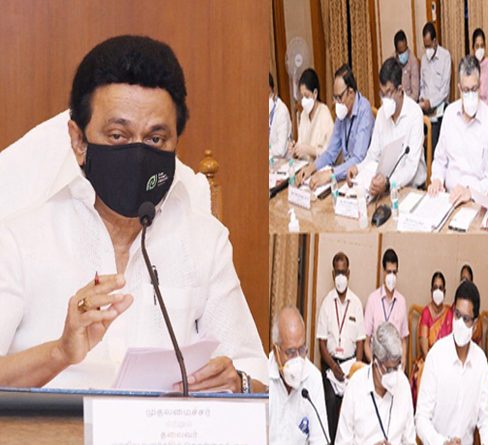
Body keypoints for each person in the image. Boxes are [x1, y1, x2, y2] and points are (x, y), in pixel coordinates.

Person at [0, 35, 267, 390]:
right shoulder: (20, 240)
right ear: (79, 141)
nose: (138, 156)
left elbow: (254, 374)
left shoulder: (205, 241)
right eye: (117, 136)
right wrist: (59, 353)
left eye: (155, 139)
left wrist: (239, 383)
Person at [415, 280, 488, 445]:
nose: (459, 323)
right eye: (457, 315)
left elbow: (486, 418)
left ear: (475, 324)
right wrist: (441, 442)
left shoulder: (480, 361)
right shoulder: (436, 355)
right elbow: (421, 418)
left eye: (466, 319)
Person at [428, 55, 488, 207]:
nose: (470, 95)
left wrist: (470, 192)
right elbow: (440, 160)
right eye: (466, 90)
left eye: (474, 89)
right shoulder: (449, 114)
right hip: (448, 197)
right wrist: (437, 179)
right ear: (459, 89)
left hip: (476, 200)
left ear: (480, 86)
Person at [347, 57, 426, 197]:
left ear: (400, 90)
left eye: (388, 93)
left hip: (410, 188)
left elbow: (411, 167)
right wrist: (358, 169)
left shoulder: (415, 114)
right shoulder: (381, 114)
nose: (385, 99)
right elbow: (373, 154)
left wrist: (389, 183)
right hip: (382, 188)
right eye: (382, 94)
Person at [336, 322, 417, 445]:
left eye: (397, 367)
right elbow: (342, 442)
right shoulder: (356, 385)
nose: (394, 374)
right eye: (388, 369)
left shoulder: (402, 383)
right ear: (375, 361)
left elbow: (410, 441)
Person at [297, 64, 374, 189]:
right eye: (335, 97)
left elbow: (358, 158)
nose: (336, 102)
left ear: (350, 93)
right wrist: (312, 167)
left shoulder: (364, 109)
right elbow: (330, 152)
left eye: (339, 97)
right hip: (344, 175)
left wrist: (331, 174)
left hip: (362, 176)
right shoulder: (342, 112)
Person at [316, 252, 366, 443]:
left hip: (350, 366)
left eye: (343, 272)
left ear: (349, 273)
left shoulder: (356, 303)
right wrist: (333, 367)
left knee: (351, 407)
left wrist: (355, 371)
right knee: (329, 403)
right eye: (337, 273)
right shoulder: (326, 303)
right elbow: (321, 342)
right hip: (331, 366)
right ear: (333, 274)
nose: (341, 277)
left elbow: (360, 342)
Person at [270, 307, 329, 445]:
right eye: (290, 352)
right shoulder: (263, 376)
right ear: (276, 351)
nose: (297, 359)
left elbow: (319, 440)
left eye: (302, 350)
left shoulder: (313, 377)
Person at [411, 271, 453, 404]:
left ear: (445, 291)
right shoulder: (426, 313)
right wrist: (435, 365)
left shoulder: (449, 314)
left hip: (446, 362)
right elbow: (424, 350)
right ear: (431, 291)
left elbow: (452, 345)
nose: (438, 291)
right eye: (435, 288)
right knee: (423, 373)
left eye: (441, 288)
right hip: (428, 361)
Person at [364, 249, 409, 368]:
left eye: (394, 272)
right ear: (383, 272)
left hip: (395, 365)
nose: (391, 276)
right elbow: (366, 342)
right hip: (377, 364)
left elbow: (404, 340)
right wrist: (374, 365)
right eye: (389, 272)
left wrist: (403, 361)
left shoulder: (402, 301)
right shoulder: (372, 299)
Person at [419, 22, 452, 153]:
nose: (427, 49)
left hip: (439, 111)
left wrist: (431, 103)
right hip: (425, 110)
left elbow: (445, 91)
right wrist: (422, 99)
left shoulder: (445, 57)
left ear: (435, 41)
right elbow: (422, 85)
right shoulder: (423, 59)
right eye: (425, 46)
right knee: (417, 143)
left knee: (434, 148)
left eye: (429, 45)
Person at [288, 68, 334, 160]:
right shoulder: (303, 115)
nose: (303, 100)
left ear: (315, 93)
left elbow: (331, 152)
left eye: (306, 96)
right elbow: (300, 144)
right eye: (302, 96)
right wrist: (295, 150)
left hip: (320, 165)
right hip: (305, 164)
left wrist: (310, 150)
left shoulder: (324, 113)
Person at [269, 72, 292, 158]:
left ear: (274, 91)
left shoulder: (281, 111)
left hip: (283, 160)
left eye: (268, 93)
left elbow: (281, 150)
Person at [472, 28, 488, 108]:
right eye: (477, 46)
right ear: (473, 48)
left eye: (482, 46)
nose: (480, 49)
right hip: (471, 106)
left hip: (485, 108)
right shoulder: (470, 65)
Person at [395, 29, 420, 102]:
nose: (404, 54)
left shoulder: (413, 61)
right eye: (401, 52)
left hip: (409, 102)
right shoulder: (393, 62)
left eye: (405, 50)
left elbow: (415, 94)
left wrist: (404, 104)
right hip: (396, 101)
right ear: (396, 52)